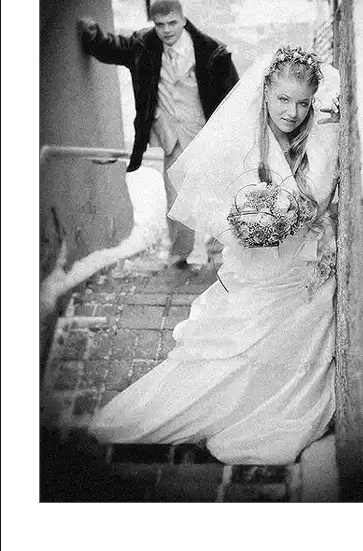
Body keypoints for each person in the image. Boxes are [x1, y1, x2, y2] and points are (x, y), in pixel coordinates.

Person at [88, 45, 340, 466]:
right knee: (227, 353)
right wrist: (245, 228)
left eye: (302, 103)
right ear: (265, 92)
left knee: (280, 354)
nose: (292, 112)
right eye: (283, 99)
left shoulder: (317, 136)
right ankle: (170, 413)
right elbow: (210, 204)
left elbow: (317, 196)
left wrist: (297, 211)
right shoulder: (239, 141)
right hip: (256, 270)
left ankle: (259, 408)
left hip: (302, 272)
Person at [78, 0, 239, 268]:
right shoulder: (144, 45)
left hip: (206, 136)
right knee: (176, 203)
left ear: (183, 20)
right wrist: (90, 32)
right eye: (160, 24)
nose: (166, 30)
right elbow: (111, 49)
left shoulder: (212, 52)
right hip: (172, 138)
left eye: (172, 23)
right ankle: (179, 256)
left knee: (216, 197)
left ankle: (218, 256)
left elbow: (234, 97)